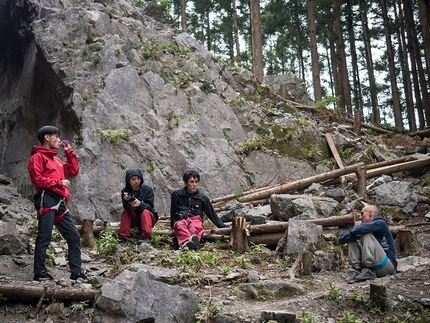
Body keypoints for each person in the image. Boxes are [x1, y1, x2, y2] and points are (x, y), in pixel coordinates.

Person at [28, 125, 86, 281]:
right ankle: (39, 273)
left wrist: (69, 151)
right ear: (47, 137)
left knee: (73, 235)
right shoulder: (37, 157)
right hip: (46, 198)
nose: (59, 140)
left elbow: (73, 171)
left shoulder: (57, 160)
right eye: (57, 137)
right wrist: (58, 182)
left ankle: (76, 273)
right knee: (44, 236)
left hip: (59, 201)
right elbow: (38, 180)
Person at [339, 205, 397, 283]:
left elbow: (360, 229)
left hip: (386, 266)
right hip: (374, 265)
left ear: (370, 213)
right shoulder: (364, 226)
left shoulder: (381, 223)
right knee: (351, 238)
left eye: (362, 214)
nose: (360, 217)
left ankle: (369, 269)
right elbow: (342, 238)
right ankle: (358, 270)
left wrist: (355, 230)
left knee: (365, 233)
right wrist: (354, 232)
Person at [170, 170, 227, 250]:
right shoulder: (177, 195)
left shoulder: (203, 198)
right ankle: (188, 242)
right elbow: (173, 211)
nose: (194, 185)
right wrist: (173, 225)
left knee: (196, 227)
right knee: (180, 225)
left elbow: (213, 216)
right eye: (192, 182)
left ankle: (190, 242)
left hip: (196, 220)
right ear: (185, 183)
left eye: (196, 182)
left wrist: (225, 228)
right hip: (181, 219)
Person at [119, 168, 158, 245]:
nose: (136, 181)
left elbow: (150, 207)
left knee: (145, 212)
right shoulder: (125, 191)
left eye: (138, 179)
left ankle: (145, 236)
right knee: (126, 212)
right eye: (133, 179)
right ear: (128, 180)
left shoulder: (148, 190)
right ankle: (123, 237)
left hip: (147, 218)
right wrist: (127, 201)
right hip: (134, 218)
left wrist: (140, 204)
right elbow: (126, 208)